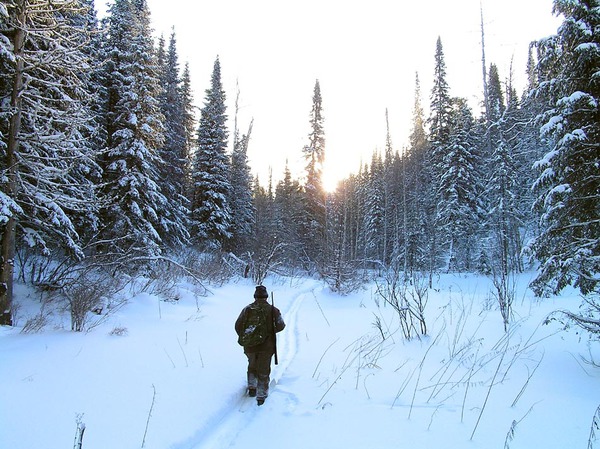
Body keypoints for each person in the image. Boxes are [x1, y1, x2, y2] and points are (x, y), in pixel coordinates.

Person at [235, 285, 285, 405]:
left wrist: (248, 337)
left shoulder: (247, 309)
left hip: (249, 346)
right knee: (263, 369)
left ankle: (252, 387)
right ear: (266, 297)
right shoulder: (273, 310)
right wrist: (269, 331)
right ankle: (261, 395)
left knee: (252, 366)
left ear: (255, 296)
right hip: (266, 347)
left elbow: (238, 326)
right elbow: (281, 326)